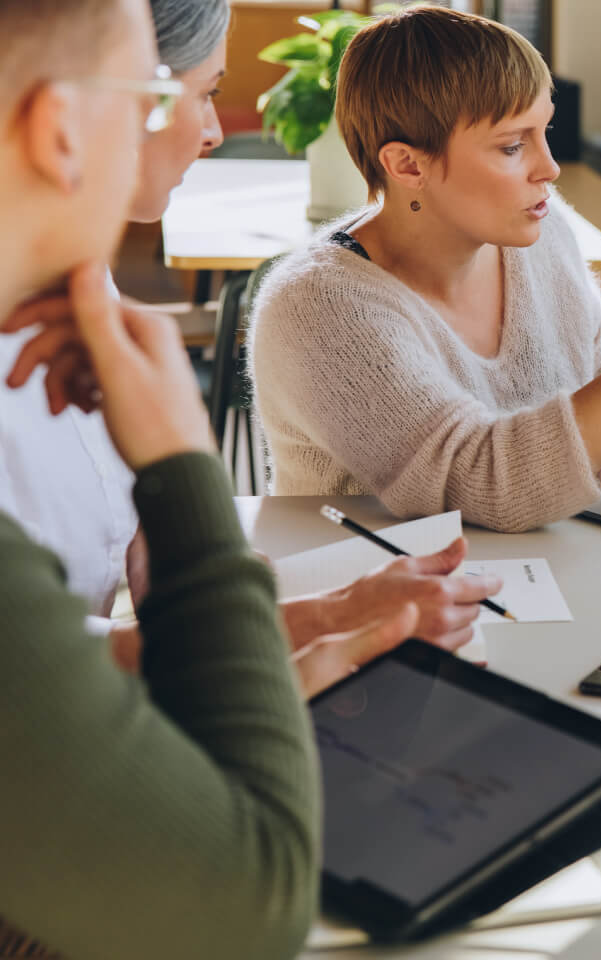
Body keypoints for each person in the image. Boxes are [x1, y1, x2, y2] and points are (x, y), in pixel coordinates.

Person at [0, 0, 368, 955]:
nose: (199, 130)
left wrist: (273, 628)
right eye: (154, 98)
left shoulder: (69, 307)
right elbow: (246, 913)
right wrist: (183, 465)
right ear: (60, 129)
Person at [0, 0, 501, 697]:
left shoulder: (82, 295)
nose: (210, 132)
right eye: (197, 96)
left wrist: (309, 616)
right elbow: (30, 676)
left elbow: (150, 572)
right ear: (61, 128)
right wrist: (317, 625)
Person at [249, 5, 601, 533]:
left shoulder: (539, 235)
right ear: (406, 165)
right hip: (380, 610)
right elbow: (488, 487)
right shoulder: (319, 306)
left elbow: (596, 355)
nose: (549, 167)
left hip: (535, 576)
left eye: (544, 131)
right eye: (511, 146)